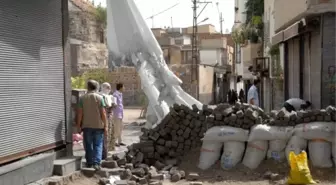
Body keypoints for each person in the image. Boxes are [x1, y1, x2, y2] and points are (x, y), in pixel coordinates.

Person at [76, 80, 107, 170]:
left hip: (87, 126)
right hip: (98, 126)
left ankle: (89, 163)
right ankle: (97, 163)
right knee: (98, 144)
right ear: (96, 87)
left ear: (88, 87)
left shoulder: (82, 98)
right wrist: (106, 126)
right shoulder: (100, 98)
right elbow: (103, 113)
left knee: (88, 144)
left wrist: (78, 126)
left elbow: (80, 114)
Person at [99, 82, 116, 159]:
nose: (109, 89)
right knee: (104, 134)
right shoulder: (100, 96)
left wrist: (113, 104)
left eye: (109, 87)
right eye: (107, 87)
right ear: (103, 87)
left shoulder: (110, 96)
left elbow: (113, 107)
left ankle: (107, 150)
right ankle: (103, 152)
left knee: (109, 133)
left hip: (109, 118)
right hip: (103, 117)